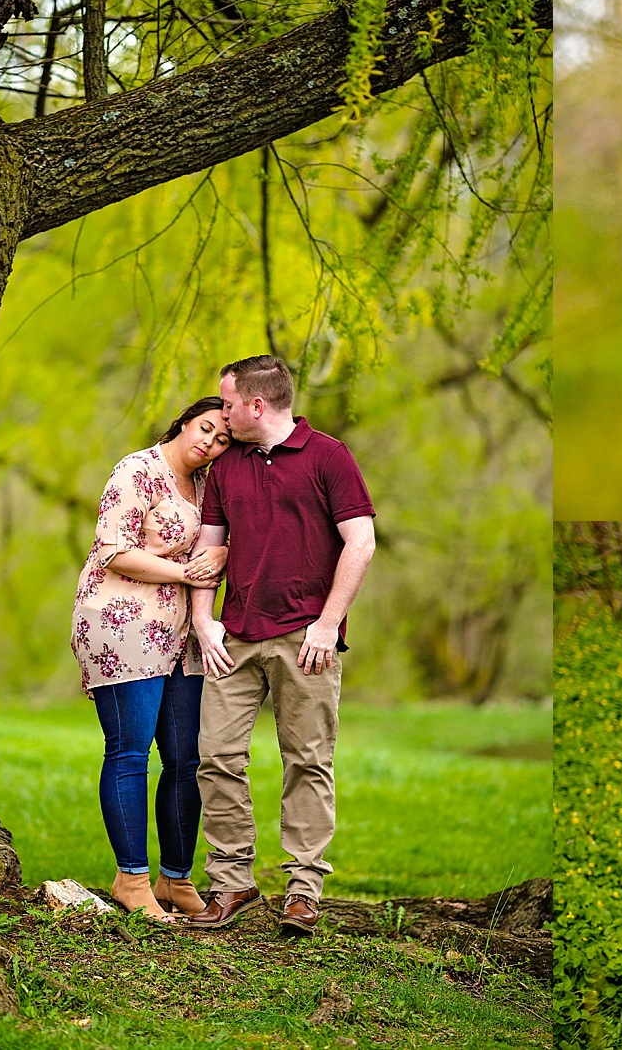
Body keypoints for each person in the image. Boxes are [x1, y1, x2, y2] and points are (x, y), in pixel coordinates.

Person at [186, 355, 376, 937]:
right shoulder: (227, 467)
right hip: (235, 637)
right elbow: (209, 553)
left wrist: (328, 622)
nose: (220, 413)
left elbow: (361, 542)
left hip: (306, 641)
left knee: (308, 761)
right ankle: (232, 884)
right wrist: (203, 619)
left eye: (226, 403)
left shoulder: (329, 457)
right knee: (215, 758)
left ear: (256, 405)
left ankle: (303, 891)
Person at [70, 397, 232, 921]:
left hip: (182, 635)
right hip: (123, 627)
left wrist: (222, 554)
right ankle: (132, 880)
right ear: (185, 422)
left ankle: (175, 879)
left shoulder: (207, 487)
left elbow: (219, 543)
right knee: (130, 752)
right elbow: (113, 550)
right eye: (205, 428)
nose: (209, 442)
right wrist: (187, 573)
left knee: (187, 758)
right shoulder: (137, 470)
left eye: (222, 439)